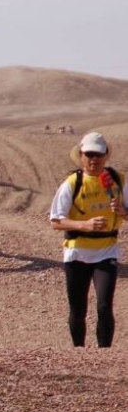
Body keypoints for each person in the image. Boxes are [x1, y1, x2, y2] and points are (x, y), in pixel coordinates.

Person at [49, 132, 126, 348]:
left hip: (106, 250)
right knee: (78, 308)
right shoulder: (72, 183)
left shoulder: (119, 181)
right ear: (81, 155)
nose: (93, 159)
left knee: (104, 306)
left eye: (98, 155)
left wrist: (123, 211)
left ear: (105, 156)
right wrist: (84, 225)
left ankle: (104, 354)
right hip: (77, 252)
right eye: (89, 154)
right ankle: (79, 353)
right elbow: (55, 221)